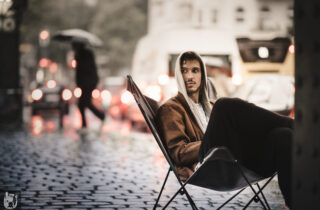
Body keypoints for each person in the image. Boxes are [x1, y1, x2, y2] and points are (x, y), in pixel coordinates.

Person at [156, 51, 293, 208]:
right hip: (208, 160)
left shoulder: (211, 105)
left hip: (238, 159)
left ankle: (293, 204)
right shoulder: (171, 108)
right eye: (184, 71)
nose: (189, 76)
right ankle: (294, 124)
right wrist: (216, 139)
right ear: (178, 75)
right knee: (225, 105)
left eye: (195, 70)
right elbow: (179, 153)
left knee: (283, 136)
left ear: (202, 74)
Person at [72, 42, 105, 130]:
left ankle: (101, 116)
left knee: (85, 102)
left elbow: (85, 69)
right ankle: (85, 123)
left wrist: (78, 60)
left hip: (88, 83)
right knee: (82, 103)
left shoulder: (85, 54)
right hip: (86, 83)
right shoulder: (80, 54)